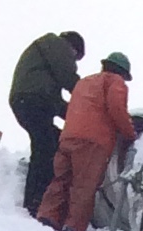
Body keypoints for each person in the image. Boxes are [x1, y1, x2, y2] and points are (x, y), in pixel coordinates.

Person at [39, 52, 133, 231]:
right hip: (93, 140)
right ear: (122, 72)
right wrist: (130, 134)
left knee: (60, 180)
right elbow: (117, 108)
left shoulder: (84, 82)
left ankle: (47, 216)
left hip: (68, 137)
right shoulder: (115, 82)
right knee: (84, 186)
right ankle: (73, 228)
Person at [7, 29, 84, 216]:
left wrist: (77, 115)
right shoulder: (56, 44)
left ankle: (40, 198)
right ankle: (34, 202)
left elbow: (56, 102)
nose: (74, 62)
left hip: (29, 101)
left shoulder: (44, 68)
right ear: (73, 48)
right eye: (76, 57)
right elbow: (69, 78)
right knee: (44, 149)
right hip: (33, 101)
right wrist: (89, 95)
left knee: (53, 140)